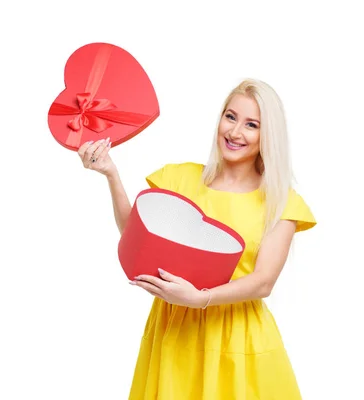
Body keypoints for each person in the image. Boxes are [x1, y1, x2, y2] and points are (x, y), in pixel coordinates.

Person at [77, 78, 316, 399]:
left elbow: (263, 282)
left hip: (237, 337)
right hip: (175, 332)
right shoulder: (179, 178)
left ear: (267, 135)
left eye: (251, 125)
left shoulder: (280, 201)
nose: (234, 132)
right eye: (230, 117)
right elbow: (136, 236)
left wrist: (200, 298)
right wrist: (111, 174)